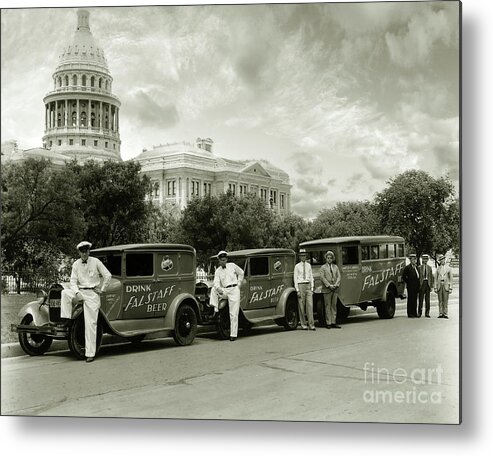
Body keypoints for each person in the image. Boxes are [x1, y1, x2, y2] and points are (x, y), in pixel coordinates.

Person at [60, 241, 112, 362]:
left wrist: (102, 289)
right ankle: (66, 319)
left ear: (89, 251)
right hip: (80, 291)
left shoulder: (96, 262)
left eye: (86, 251)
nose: (84, 254)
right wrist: (77, 293)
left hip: (92, 294)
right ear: (79, 252)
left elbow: (107, 275)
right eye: (82, 252)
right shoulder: (76, 264)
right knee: (65, 293)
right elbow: (72, 281)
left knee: (91, 324)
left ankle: (90, 354)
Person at [209, 250, 244, 341]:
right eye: (221, 260)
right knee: (213, 289)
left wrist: (239, 283)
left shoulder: (232, 266)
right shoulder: (218, 271)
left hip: (234, 290)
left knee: (233, 313)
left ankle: (233, 334)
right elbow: (216, 282)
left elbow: (241, 273)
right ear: (219, 261)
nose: (223, 262)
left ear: (226, 259)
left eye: (224, 260)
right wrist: (218, 288)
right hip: (225, 290)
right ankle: (216, 309)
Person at [293, 248, 315, 330]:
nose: (303, 257)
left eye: (304, 256)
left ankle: (311, 325)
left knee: (310, 305)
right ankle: (303, 324)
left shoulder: (309, 265)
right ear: (299, 257)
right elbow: (295, 278)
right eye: (302, 256)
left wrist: (312, 288)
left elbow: (311, 276)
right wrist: (297, 290)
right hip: (301, 285)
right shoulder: (297, 266)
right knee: (301, 306)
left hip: (308, 285)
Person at [320, 250, 341, 329]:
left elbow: (339, 276)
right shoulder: (323, 268)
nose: (329, 259)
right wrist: (329, 285)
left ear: (332, 259)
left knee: (334, 305)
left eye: (330, 258)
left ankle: (333, 322)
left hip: (335, 289)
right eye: (328, 258)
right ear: (326, 259)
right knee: (327, 305)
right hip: (327, 289)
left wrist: (336, 284)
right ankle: (328, 323)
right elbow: (322, 278)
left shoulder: (335, 267)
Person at [434, 254, 453, 319]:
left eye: (443, 259)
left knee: (445, 300)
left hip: (446, 285)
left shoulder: (449, 268)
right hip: (440, 285)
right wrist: (435, 287)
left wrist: (450, 288)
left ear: (445, 259)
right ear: (439, 261)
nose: (442, 261)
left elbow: (451, 279)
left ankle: (445, 313)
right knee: (440, 300)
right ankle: (440, 313)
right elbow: (435, 278)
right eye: (440, 260)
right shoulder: (438, 269)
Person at [402, 253, 420, 318]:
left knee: (415, 300)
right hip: (410, 286)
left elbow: (418, 277)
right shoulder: (407, 267)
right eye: (413, 260)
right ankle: (410, 313)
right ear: (410, 260)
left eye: (415, 259)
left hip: (416, 287)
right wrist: (408, 282)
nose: (414, 261)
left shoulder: (416, 268)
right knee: (410, 300)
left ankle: (414, 313)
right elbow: (404, 276)